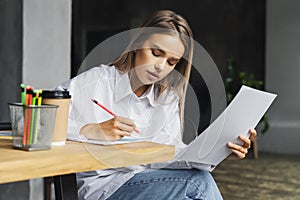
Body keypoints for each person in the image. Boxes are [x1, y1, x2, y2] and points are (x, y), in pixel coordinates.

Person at [59, 10, 256, 200]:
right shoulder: (96, 82)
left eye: (171, 62)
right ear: (137, 44)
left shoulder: (166, 98)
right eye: (155, 52)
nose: (160, 67)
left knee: (196, 185)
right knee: (198, 184)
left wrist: (217, 152)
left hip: (147, 181)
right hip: (103, 187)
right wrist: (91, 130)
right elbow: (33, 123)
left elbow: (168, 154)